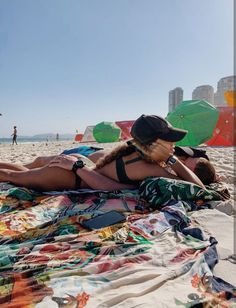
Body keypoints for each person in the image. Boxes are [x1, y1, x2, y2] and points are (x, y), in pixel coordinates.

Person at [0, 115, 215, 191]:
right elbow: (198, 187)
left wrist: (169, 157)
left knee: (19, 172)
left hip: (76, 168)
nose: (173, 146)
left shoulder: (135, 150)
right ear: (154, 143)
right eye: (169, 141)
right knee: (13, 176)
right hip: (73, 173)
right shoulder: (148, 165)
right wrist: (172, 159)